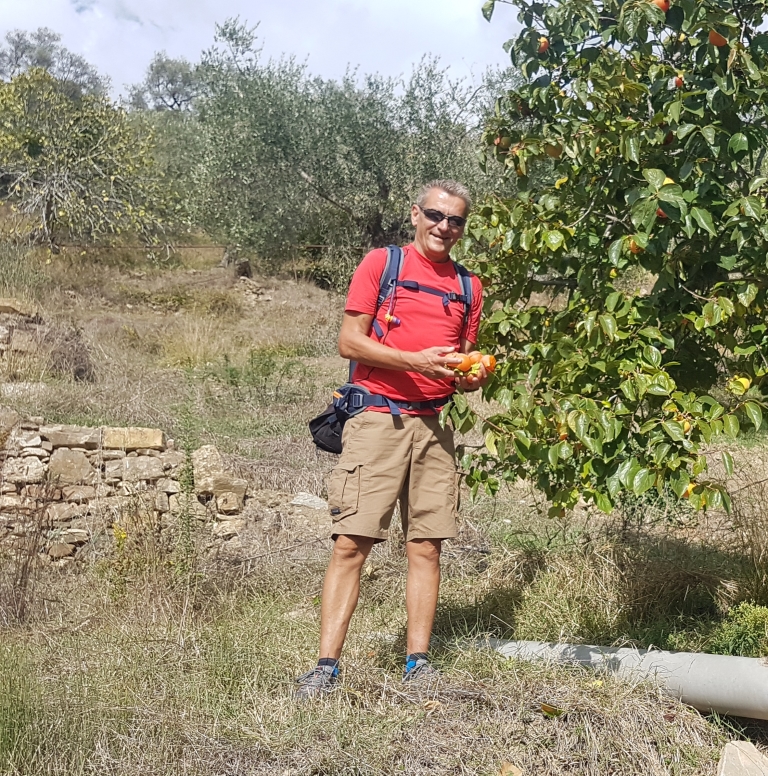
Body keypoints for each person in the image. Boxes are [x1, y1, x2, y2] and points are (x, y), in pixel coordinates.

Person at [296, 179, 488, 699]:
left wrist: (467, 376)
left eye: (456, 221)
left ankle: (418, 663)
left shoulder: (470, 287)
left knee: (426, 546)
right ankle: (325, 668)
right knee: (351, 543)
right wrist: (413, 360)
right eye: (436, 215)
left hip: (434, 425)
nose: (445, 227)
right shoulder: (383, 265)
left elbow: (459, 362)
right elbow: (348, 341)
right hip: (378, 419)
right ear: (415, 214)